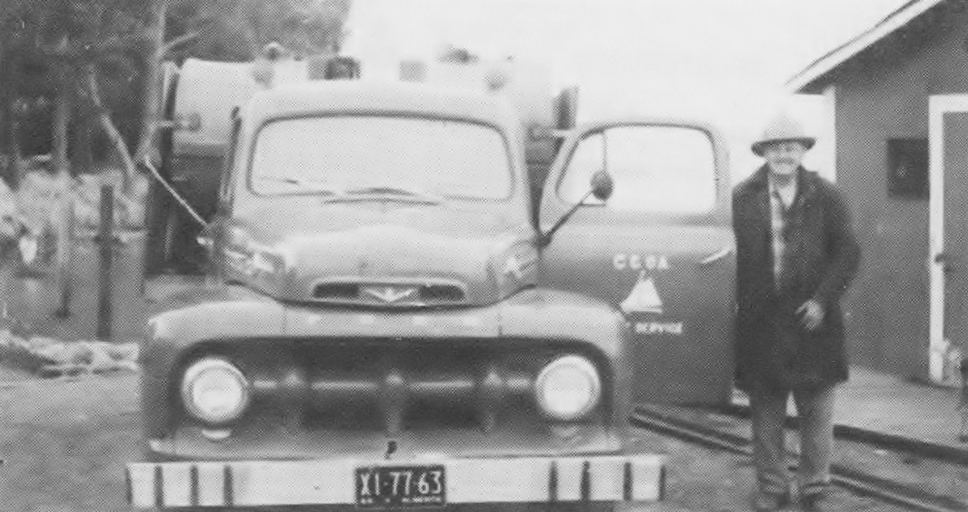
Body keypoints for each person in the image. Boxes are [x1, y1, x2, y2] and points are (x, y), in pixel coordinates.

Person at [732, 112, 861, 512]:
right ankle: (772, 488)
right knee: (766, 412)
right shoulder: (742, 197)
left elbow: (848, 252)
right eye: (775, 148)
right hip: (763, 322)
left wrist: (823, 299)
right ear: (764, 153)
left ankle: (814, 489)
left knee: (817, 410)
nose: (783, 155)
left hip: (813, 321)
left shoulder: (827, 195)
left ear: (803, 150)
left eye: (791, 147)